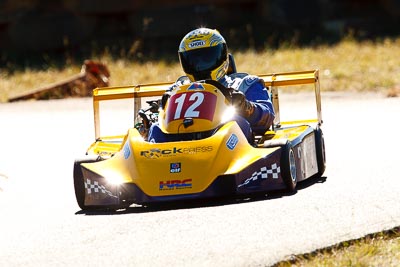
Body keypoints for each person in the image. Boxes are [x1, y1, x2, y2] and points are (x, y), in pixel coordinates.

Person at [147, 27, 275, 143]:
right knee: (156, 128)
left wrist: (247, 107)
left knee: (235, 121)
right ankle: (153, 162)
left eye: (207, 58)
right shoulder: (177, 89)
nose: (200, 65)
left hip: (224, 145)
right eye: (194, 60)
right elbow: (163, 121)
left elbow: (267, 116)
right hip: (180, 144)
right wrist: (158, 111)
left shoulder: (244, 84)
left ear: (223, 57)